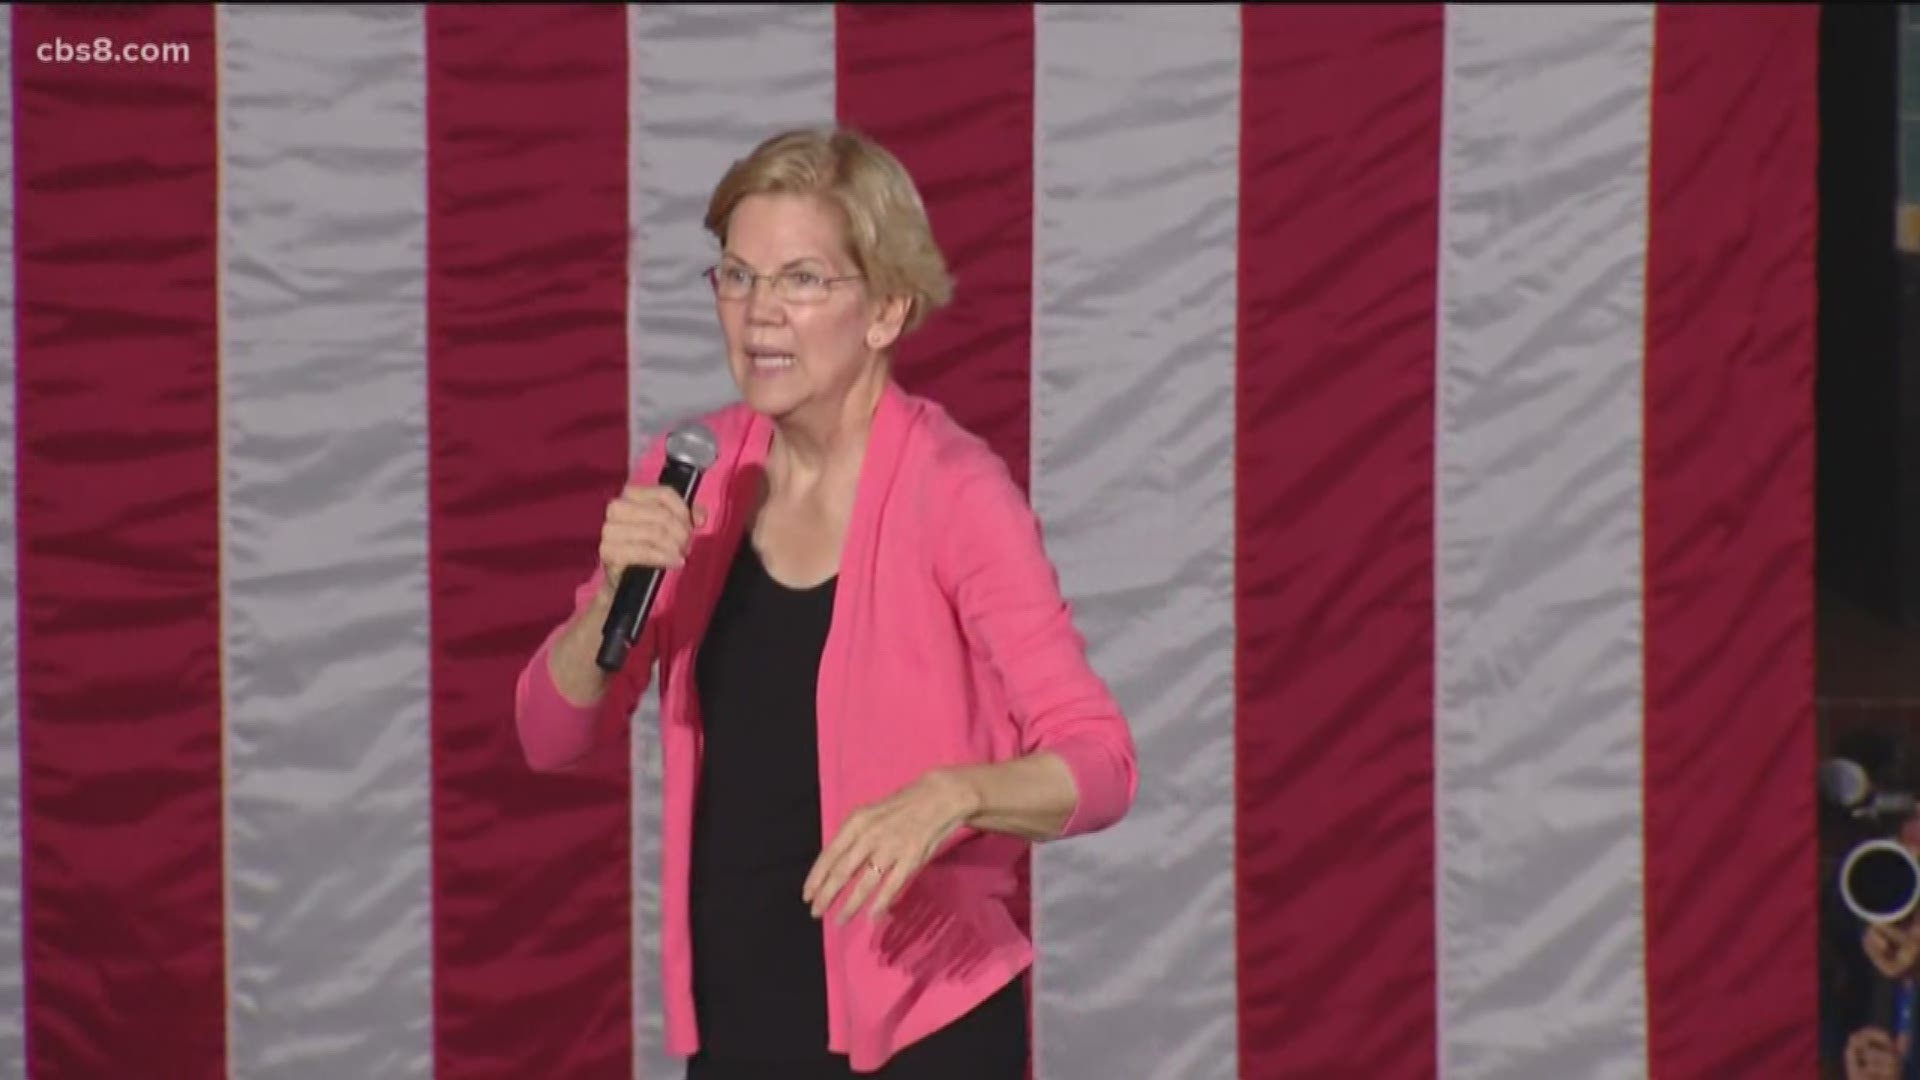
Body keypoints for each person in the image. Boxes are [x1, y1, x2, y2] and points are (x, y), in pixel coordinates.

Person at [512, 126, 1140, 1079]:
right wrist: (605, 610)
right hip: (737, 1029)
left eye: (801, 279)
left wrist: (956, 792)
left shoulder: (954, 490)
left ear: (886, 308)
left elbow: (1101, 763)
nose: (760, 313)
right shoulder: (696, 472)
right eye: (736, 275)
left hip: (926, 1034)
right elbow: (550, 736)